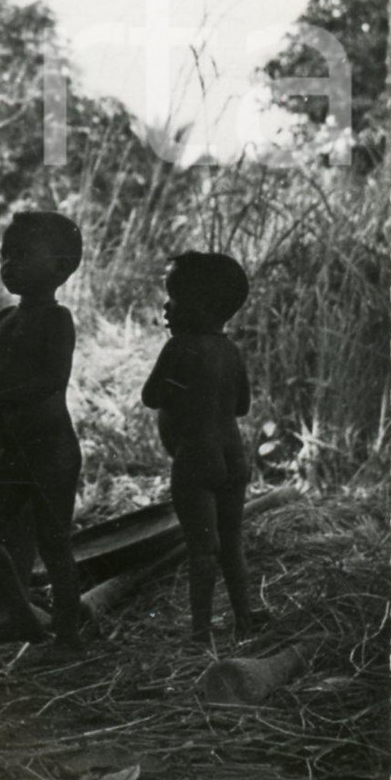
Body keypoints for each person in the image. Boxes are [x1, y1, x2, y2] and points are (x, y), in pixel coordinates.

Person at [0, 210, 85, 648]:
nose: (8, 265)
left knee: (54, 544)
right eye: (5, 255)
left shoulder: (57, 320)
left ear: (61, 267)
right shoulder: (5, 319)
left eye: (21, 255)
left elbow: (51, 381)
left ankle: (68, 636)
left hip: (52, 450)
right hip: (15, 449)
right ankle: (23, 618)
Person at [141, 251, 253, 645]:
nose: (166, 307)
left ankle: (201, 631)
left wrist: (182, 391)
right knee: (232, 541)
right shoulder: (230, 351)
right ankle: (245, 614)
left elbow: (151, 396)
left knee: (203, 549)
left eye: (173, 298)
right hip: (234, 457)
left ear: (199, 305)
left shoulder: (179, 349)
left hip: (196, 459)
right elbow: (242, 406)